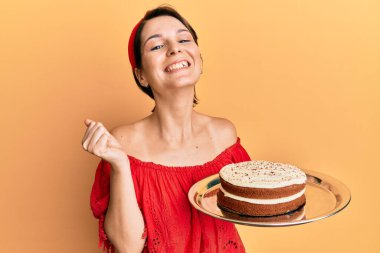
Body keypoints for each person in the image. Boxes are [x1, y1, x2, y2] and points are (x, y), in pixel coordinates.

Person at [82, 5, 251, 253]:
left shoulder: (224, 134)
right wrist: (119, 164)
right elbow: (127, 247)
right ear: (141, 76)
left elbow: (250, 209)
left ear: (199, 61)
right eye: (157, 46)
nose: (175, 49)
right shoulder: (122, 142)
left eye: (184, 39)